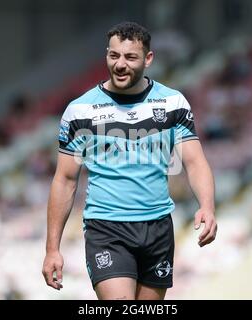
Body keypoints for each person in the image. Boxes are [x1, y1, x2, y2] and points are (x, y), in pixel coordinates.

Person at [42, 21, 217, 300]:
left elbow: (195, 162)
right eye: (114, 56)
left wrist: (207, 206)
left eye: (130, 57)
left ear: (148, 59)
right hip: (107, 229)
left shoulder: (173, 104)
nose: (120, 64)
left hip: (157, 227)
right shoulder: (80, 111)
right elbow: (65, 180)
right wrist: (52, 249)